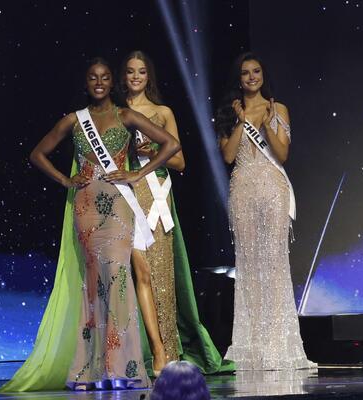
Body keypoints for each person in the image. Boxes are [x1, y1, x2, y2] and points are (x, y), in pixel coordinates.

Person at [26, 57, 180, 390]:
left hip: (118, 207)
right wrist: (65, 180)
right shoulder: (74, 120)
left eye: (105, 77)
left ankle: (123, 368)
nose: (99, 82)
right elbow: (37, 154)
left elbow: (172, 144)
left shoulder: (126, 116)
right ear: (86, 83)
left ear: (112, 82)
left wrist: (138, 173)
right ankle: (91, 370)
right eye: (93, 78)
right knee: (93, 283)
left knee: (119, 279)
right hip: (86, 209)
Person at [120, 50, 234, 375]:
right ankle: (135, 353)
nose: (136, 77)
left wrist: (152, 150)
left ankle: (167, 352)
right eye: (130, 71)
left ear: (149, 77)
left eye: (142, 71)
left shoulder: (162, 112)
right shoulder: (116, 113)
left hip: (155, 193)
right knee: (133, 273)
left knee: (160, 274)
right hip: (126, 194)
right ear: (123, 76)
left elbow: (180, 161)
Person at [215, 52, 314, 370]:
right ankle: (252, 345)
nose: (251, 77)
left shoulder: (278, 108)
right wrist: (242, 120)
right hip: (242, 189)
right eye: (245, 73)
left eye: (256, 71)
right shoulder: (229, 112)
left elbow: (281, 154)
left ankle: (277, 344)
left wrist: (267, 123)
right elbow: (228, 156)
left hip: (273, 188)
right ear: (239, 78)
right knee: (248, 266)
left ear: (263, 75)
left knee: (273, 264)